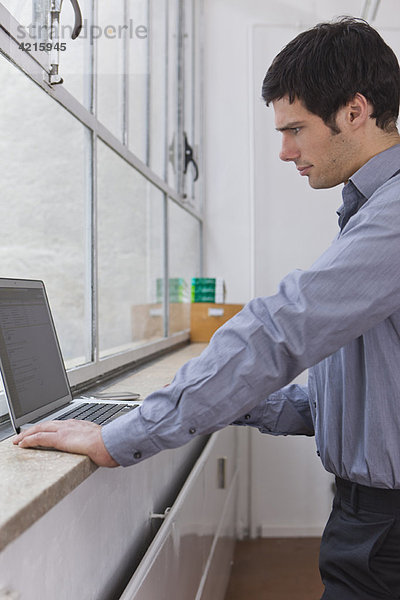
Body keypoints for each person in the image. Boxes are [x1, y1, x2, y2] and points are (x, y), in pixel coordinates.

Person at [13, 17, 400, 599]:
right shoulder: (368, 212)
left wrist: (123, 438)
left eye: (295, 129)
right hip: (370, 518)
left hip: (385, 524)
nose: (284, 151)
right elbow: (346, 400)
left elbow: (279, 331)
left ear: (354, 111)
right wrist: (189, 403)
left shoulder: (392, 217)